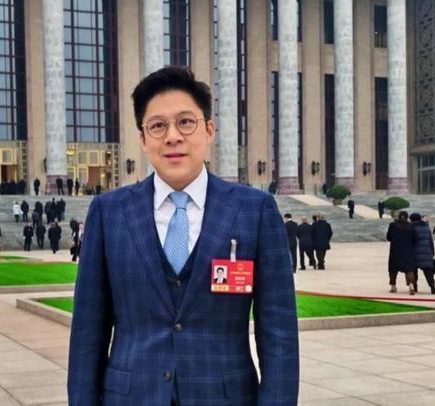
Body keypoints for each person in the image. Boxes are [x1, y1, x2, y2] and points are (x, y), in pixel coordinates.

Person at [68, 67, 299, 405]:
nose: (172, 136)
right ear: (143, 138)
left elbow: (278, 332)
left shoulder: (255, 211)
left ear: (208, 130)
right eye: (157, 126)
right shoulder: (109, 213)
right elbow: (88, 332)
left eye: (185, 122)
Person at [386, 211, 417, 295]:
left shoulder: (393, 225)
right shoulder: (411, 226)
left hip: (395, 250)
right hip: (408, 251)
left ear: (399, 216)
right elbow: (415, 239)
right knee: (409, 269)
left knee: (393, 269)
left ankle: (393, 286)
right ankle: (411, 286)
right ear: (407, 217)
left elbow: (388, 237)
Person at [410, 213, 435, 295]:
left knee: (414, 271)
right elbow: (430, 241)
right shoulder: (426, 227)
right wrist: (432, 252)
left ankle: (415, 287)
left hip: (414, 253)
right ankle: (432, 285)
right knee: (428, 271)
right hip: (427, 252)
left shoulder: (411, 228)